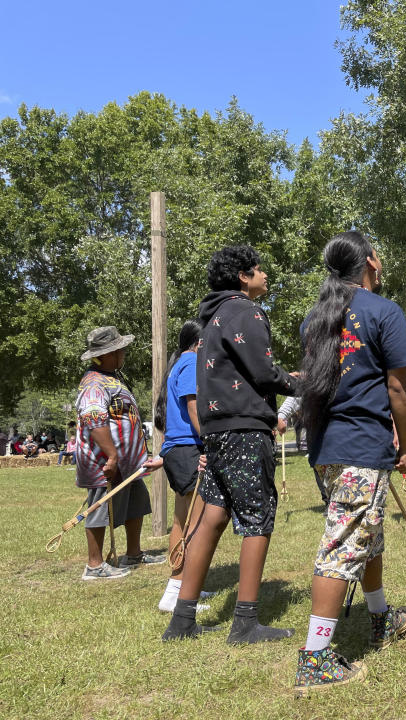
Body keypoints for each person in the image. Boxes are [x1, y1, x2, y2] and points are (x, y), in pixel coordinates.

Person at [293, 231, 406, 694]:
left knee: (368, 535)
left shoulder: (316, 316)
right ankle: (316, 659)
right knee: (342, 544)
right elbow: (399, 390)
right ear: (370, 261)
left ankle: (380, 619)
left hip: (327, 448)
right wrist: (405, 447)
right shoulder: (384, 311)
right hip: (362, 446)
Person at [163, 245, 299, 644]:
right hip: (245, 430)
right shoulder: (246, 311)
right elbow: (263, 370)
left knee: (213, 517)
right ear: (243, 276)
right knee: (258, 517)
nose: (265, 275)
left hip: (216, 432)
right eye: (259, 269)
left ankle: (182, 620)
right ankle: (245, 623)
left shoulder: (212, 319)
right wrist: (302, 383)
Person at [74, 326, 165, 580]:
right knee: (100, 508)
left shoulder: (111, 378)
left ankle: (133, 553)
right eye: (119, 350)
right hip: (105, 462)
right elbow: (95, 420)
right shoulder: (93, 383)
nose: (123, 353)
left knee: (136, 502)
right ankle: (94, 565)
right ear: (107, 354)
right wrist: (112, 456)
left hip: (130, 463)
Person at [155, 319, 215, 613]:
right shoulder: (191, 362)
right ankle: (177, 591)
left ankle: (180, 586)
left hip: (177, 451)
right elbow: (193, 406)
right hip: (189, 450)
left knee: (182, 520)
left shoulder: (179, 362)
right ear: (200, 343)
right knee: (196, 522)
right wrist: (211, 440)